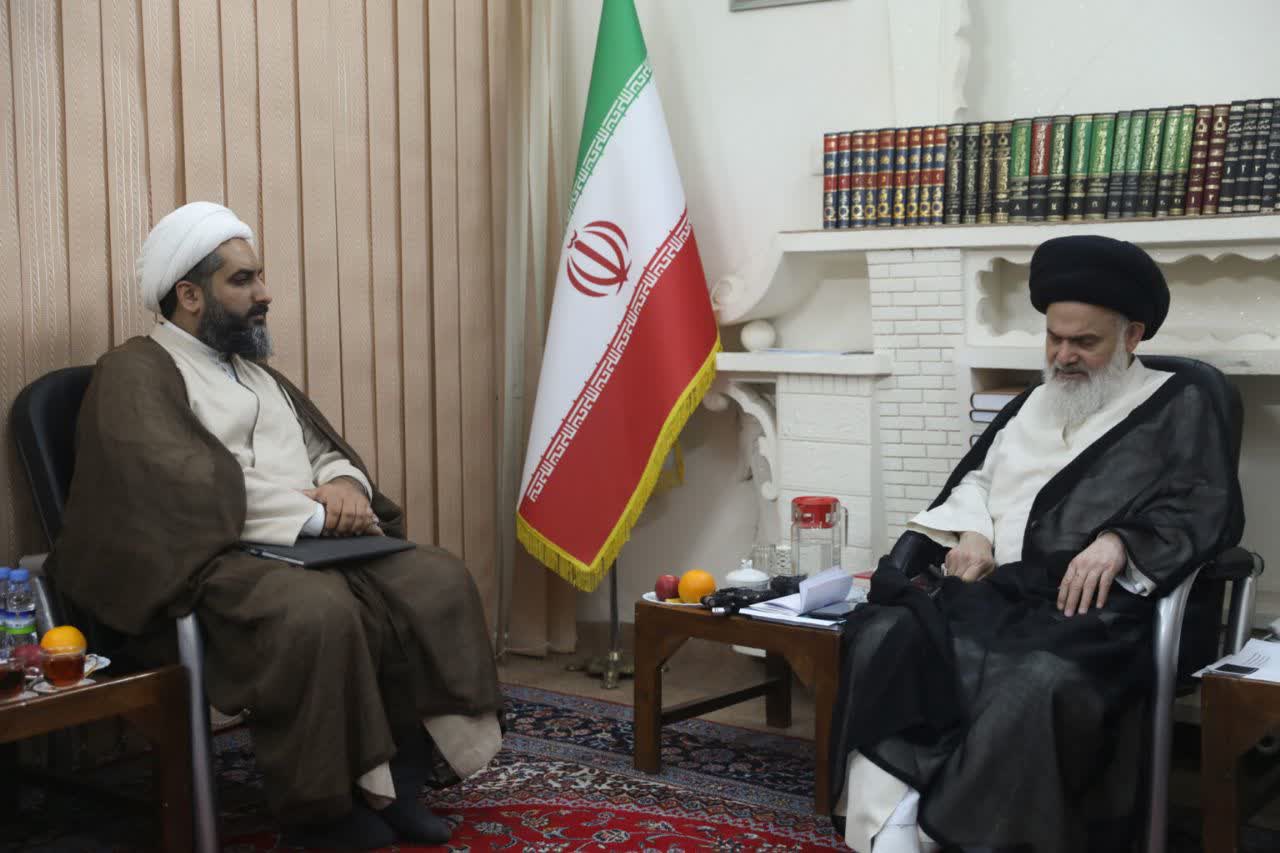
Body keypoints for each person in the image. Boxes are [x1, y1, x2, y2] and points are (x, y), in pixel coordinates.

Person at [46, 202, 503, 849]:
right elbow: (182, 484)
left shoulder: (256, 372)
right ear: (190, 295)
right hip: (210, 559)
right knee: (317, 613)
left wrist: (346, 488)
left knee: (436, 578)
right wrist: (316, 513)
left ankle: (400, 782)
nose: (265, 293)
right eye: (243, 280)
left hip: (307, 545)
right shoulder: (134, 370)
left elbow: (323, 451)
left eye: (259, 277)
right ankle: (322, 812)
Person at [829, 235, 1244, 853]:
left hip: (1096, 611)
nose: (1064, 356)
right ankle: (891, 826)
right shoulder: (1031, 403)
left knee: (1035, 676)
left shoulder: (1179, 402)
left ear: (1132, 336)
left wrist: (1120, 541)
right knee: (884, 632)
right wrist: (975, 531)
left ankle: (954, 832)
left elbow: (1203, 503)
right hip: (996, 592)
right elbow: (977, 479)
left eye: (1085, 342)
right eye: (1054, 338)